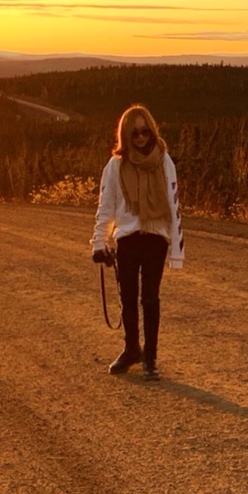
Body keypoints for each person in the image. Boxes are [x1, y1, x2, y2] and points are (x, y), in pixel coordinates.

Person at [91, 104, 184, 378]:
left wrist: (176, 252)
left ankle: (150, 359)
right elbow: (105, 206)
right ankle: (132, 349)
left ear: (153, 131)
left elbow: (174, 206)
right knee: (127, 298)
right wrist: (99, 243)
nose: (141, 137)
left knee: (150, 299)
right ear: (125, 135)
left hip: (156, 238)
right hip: (127, 239)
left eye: (146, 131)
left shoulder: (164, 162)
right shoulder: (115, 165)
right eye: (135, 133)